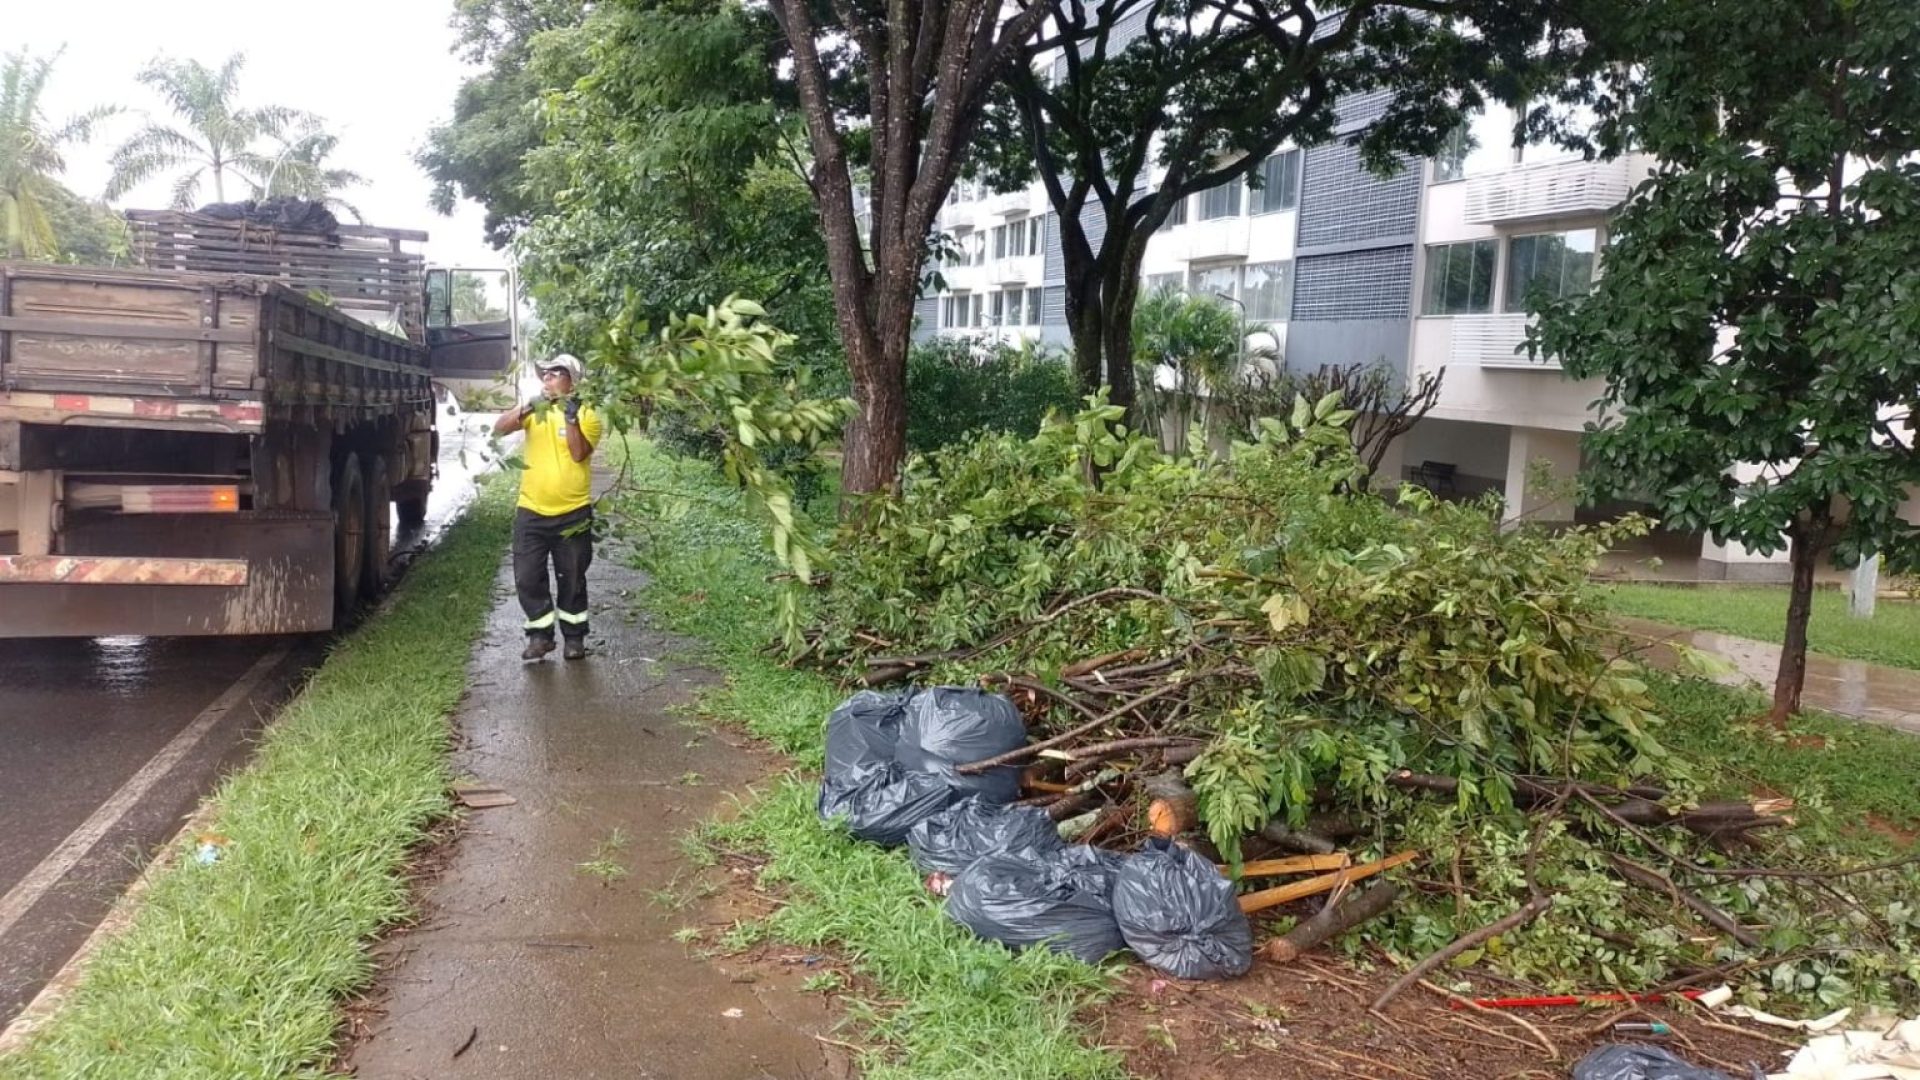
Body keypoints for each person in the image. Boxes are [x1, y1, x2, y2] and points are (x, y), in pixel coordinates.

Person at [493, 354, 602, 660]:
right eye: (546, 373)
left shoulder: (588, 414)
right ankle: (540, 636)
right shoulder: (533, 411)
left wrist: (571, 418)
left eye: (556, 373)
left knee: (573, 577)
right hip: (532, 510)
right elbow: (499, 429)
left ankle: (574, 638)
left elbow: (579, 454)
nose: (548, 378)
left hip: (573, 512)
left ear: (573, 381)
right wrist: (527, 406)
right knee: (528, 576)